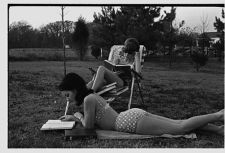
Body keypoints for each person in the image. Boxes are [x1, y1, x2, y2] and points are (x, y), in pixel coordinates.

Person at [59, 73, 224, 136]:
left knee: (180, 128)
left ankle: (219, 115)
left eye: (67, 94)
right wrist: (77, 115)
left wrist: (76, 116)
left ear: (74, 89)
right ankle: (219, 129)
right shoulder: (91, 96)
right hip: (130, 116)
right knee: (179, 124)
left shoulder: (88, 99)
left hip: (128, 123)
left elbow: (88, 127)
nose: (67, 99)